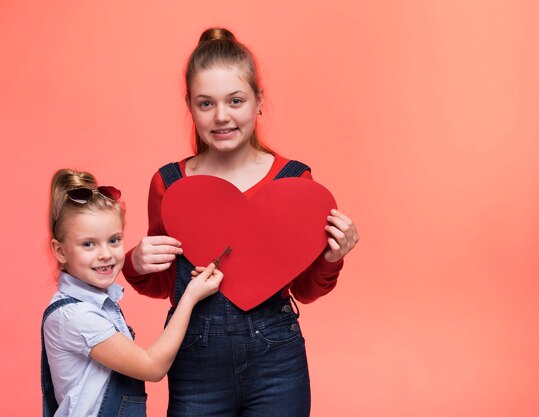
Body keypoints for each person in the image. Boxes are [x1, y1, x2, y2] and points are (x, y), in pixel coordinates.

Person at [123, 27, 359, 417]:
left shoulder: (293, 183)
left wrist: (332, 256)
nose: (221, 116)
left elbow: (306, 289)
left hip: (277, 362)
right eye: (205, 103)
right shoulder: (170, 184)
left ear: (258, 101)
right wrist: (136, 262)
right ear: (190, 105)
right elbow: (165, 284)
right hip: (194, 362)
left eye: (235, 100)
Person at [42, 169, 224, 417]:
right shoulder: (75, 316)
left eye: (114, 240)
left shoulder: (99, 305)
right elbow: (152, 367)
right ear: (60, 251)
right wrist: (189, 297)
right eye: (88, 244)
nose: (105, 253)